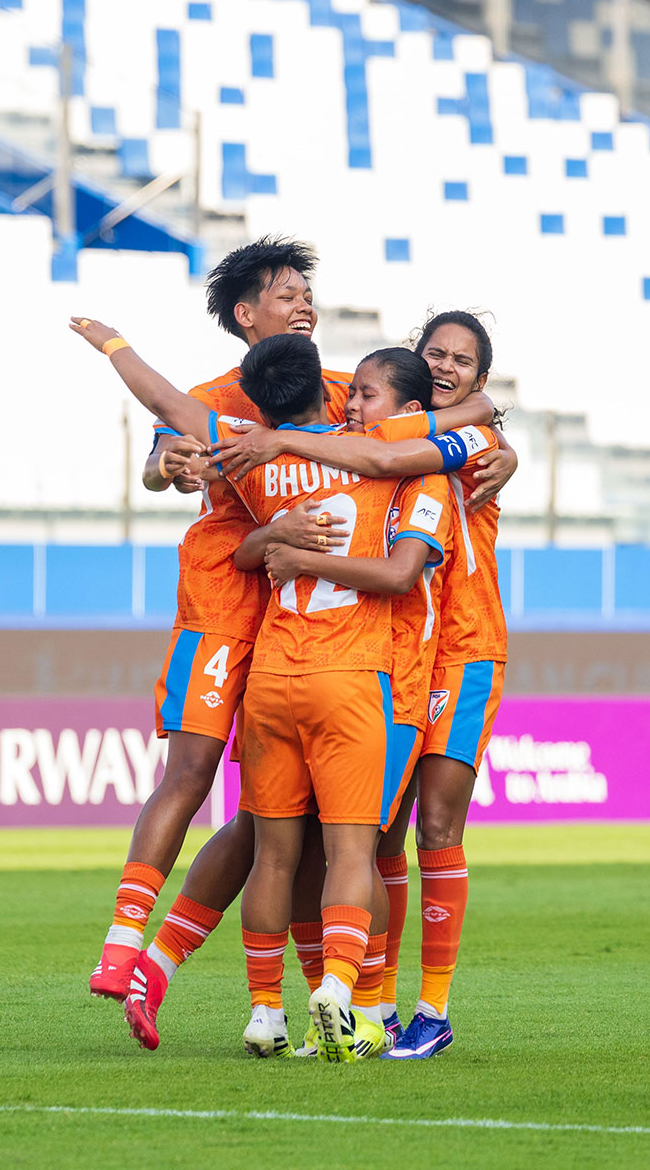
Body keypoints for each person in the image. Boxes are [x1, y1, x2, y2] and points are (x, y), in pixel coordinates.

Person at [74, 321, 481, 1061]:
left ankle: (257, 1007)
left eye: (362, 392)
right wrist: (482, 417)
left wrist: (113, 348)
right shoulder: (399, 464)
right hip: (356, 677)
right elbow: (410, 546)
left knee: (269, 846)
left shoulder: (253, 453)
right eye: (347, 391)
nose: (351, 402)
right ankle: (357, 1002)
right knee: (355, 848)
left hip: (269, 675)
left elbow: (168, 405)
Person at [217, 310, 514, 1059]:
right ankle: (370, 1011)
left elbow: (418, 449)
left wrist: (496, 434)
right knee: (374, 832)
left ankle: (432, 1011)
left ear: (479, 378)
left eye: (463, 359)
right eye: (435, 353)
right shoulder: (377, 426)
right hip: (392, 652)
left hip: (463, 649)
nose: (447, 365)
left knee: (436, 825)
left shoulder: (464, 440)